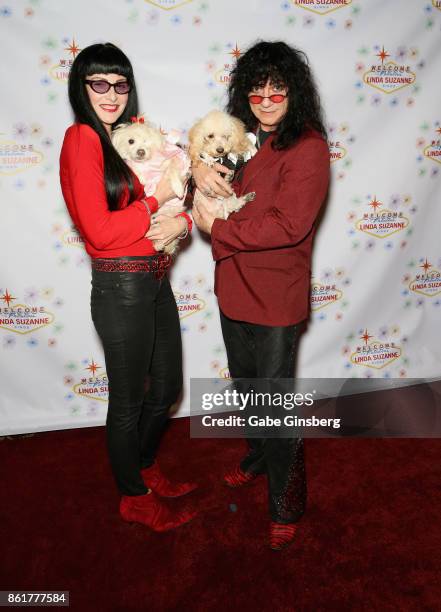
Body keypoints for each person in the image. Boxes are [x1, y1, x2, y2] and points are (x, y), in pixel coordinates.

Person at [192, 41, 330, 550]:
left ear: (294, 92)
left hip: (276, 296)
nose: (267, 97)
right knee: (249, 389)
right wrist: (198, 174)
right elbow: (209, 187)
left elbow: (289, 224)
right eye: (257, 87)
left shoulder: (309, 145)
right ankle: (256, 457)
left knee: (273, 403)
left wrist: (220, 229)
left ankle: (286, 501)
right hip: (234, 287)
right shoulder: (242, 141)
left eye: (278, 88)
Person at [59, 42, 197, 532]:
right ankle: (133, 496)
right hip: (120, 288)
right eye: (99, 83)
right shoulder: (82, 139)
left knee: (165, 391)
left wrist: (178, 218)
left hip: (155, 280)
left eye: (120, 83)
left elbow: (167, 206)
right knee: (129, 400)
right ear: (82, 87)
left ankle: (141, 463)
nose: (112, 93)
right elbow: (100, 232)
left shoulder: (124, 139)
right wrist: (157, 201)